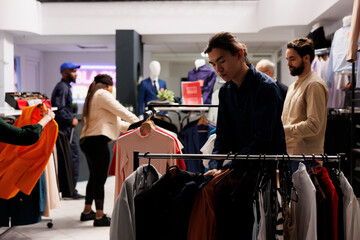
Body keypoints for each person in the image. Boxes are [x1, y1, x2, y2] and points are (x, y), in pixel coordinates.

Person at [204, 32, 286, 176]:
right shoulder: (225, 91)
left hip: (267, 173)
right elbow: (222, 136)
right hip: (237, 171)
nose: (218, 69)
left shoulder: (267, 88)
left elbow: (262, 141)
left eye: (222, 61)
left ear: (239, 54)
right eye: (214, 64)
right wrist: (215, 165)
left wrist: (228, 167)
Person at [79, 74, 139, 226]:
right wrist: (140, 121)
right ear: (108, 86)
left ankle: (87, 211)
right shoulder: (103, 94)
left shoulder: (94, 95)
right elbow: (122, 111)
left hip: (88, 141)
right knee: (100, 179)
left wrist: (135, 125)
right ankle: (99, 216)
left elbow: (118, 122)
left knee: (94, 177)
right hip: (97, 142)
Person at [282, 38, 328, 156]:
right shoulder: (292, 87)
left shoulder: (314, 85)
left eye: (292, 59)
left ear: (306, 58)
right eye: (287, 59)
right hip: (289, 154)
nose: (288, 64)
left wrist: (282, 131)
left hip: (307, 158)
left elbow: (313, 125)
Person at [51, 62, 83, 199]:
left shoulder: (64, 87)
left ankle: (70, 190)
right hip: (65, 131)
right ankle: (70, 191)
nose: (76, 74)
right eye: (73, 71)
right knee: (72, 159)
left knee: (71, 159)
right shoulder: (62, 88)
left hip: (65, 130)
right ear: (64, 73)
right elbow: (59, 109)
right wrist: (71, 120)